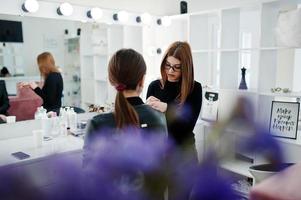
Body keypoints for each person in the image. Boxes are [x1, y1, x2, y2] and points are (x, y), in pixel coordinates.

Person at [84, 48, 168, 200]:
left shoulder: (98, 124)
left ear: (111, 80)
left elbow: (91, 182)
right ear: (142, 80)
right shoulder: (158, 118)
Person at [146, 41, 203, 148]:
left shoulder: (194, 89)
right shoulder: (154, 86)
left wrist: (167, 108)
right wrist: (146, 109)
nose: (170, 71)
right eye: (168, 65)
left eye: (177, 67)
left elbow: (187, 128)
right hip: (160, 150)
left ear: (186, 68)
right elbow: (150, 126)